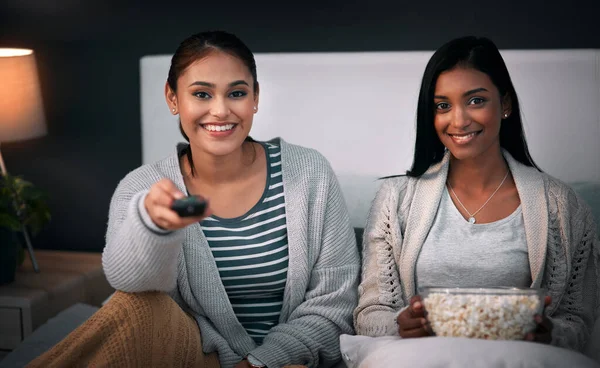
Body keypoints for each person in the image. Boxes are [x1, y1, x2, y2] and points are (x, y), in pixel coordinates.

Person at [29, 30, 359, 368]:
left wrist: (260, 362)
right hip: (198, 358)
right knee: (135, 306)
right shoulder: (142, 187)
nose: (220, 110)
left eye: (237, 93)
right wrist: (153, 227)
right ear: (173, 99)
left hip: (288, 362)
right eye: (201, 94)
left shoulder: (310, 173)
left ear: (255, 98)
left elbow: (335, 306)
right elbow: (128, 284)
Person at [353, 36, 599, 351]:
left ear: (505, 105)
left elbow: (580, 321)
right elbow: (370, 314)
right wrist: (401, 323)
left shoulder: (563, 206)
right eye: (443, 105)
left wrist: (551, 333)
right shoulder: (394, 200)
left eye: (476, 100)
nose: (459, 120)